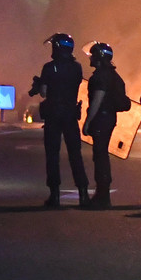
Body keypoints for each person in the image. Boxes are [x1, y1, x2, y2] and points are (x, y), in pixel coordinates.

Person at [38, 33, 91, 208]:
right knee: (75, 154)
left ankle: (55, 196)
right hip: (70, 114)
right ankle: (83, 193)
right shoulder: (77, 68)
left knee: (52, 155)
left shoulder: (48, 67)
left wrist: (41, 85)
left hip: (53, 115)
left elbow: (44, 92)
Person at [82, 42, 123, 209]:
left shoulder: (100, 77)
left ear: (99, 57)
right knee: (101, 154)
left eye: (93, 55)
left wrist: (88, 121)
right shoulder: (114, 75)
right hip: (109, 118)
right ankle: (102, 194)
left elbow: (97, 99)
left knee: (100, 156)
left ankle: (102, 196)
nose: (91, 58)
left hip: (101, 119)